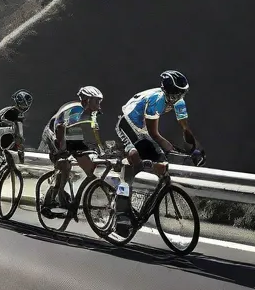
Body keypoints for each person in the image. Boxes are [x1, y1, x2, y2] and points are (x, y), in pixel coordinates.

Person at [112, 70, 205, 234]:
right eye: (176, 93)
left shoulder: (179, 102)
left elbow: (185, 129)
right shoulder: (156, 100)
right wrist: (169, 148)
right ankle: (121, 211)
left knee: (160, 160)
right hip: (128, 124)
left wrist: (195, 149)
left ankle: (142, 198)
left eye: (182, 93)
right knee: (135, 160)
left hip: (143, 129)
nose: (179, 97)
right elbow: (154, 133)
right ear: (167, 91)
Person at [41, 86, 105, 203]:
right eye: (96, 101)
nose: (99, 104)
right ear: (87, 100)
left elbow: (94, 134)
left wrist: (101, 150)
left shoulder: (92, 113)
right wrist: (62, 150)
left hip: (70, 132)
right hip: (53, 132)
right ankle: (53, 196)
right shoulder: (76, 110)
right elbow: (60, 129)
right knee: (64, 163)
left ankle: (69, 193)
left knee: (86, 161)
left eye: (99, 101)